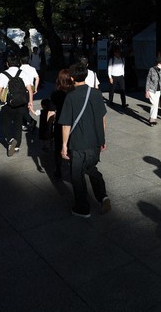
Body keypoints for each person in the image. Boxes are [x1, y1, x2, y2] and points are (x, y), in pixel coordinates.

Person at [59, 61, 111, 218]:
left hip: (78, 143)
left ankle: (83, 208)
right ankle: (103, 196)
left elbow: (66, 124)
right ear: (86, 75)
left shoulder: (71, 96)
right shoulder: (96, 94)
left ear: (72, 79)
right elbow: (102, 118)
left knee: (76, 175)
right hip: (95, 142)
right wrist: (102, 139)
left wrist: (64, 146)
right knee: (91, 168)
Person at [0, 53, 35, 157]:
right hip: (21, 103)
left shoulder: (3, 74)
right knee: (18, 125)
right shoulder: (23, 73)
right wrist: (30, 102)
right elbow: (29, 89)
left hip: (7, 104)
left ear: (7, 64)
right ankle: (17, 146)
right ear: (18, 63)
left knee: (5, 124)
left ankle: (10, 140)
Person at [48, 68, 74, 178]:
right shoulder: (75, 92)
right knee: (73, 148)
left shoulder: (55, 94)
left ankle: (58, 170)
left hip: (60, 123)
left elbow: (50, 113)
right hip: (74, 123)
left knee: (58, 147)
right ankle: (74, 170)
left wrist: (49, 129)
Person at [19, 53, 41, 134]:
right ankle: (25, 122)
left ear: (20, 61)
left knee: (22, 107)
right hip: (31, 88)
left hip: (22, 89)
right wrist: (35, 87)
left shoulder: (19, 69)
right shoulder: (32, 68)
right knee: (27, 106)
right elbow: (37, 78)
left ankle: (30, 121)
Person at [145, 56, 161, 125]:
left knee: (155, 104)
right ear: (158, 63)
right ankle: (152, 119)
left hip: (158, 90)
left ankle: (152, 118)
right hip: (151, 89)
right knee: (154, 103)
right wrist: (147, 91)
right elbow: (148, 80)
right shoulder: (151, 69)